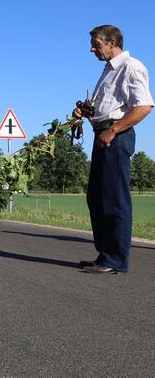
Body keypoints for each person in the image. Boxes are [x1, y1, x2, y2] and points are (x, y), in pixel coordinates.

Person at [74, 25, 153, 274]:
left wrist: (114, 129)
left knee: (114, 199)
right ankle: (105, 255)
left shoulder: (131, 67)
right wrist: (85, 114)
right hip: (103, 136)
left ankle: (115, 259)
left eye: (96, 43)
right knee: (96, 197)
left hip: (115, 138)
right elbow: (106, 109)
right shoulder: (107, 71)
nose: (92, 48)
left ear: (112, 42)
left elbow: (143, 106)